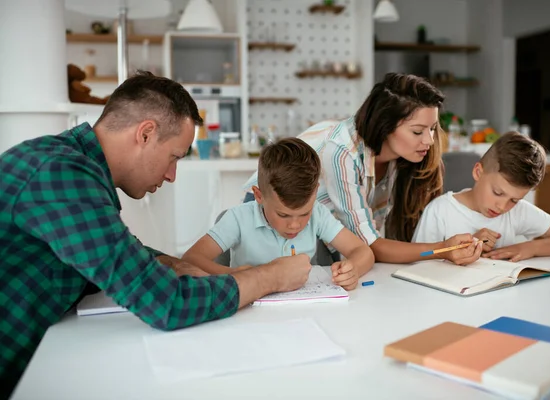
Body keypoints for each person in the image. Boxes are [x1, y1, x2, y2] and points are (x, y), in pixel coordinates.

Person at [0, 72, 311, 397]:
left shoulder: (67, 163)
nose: (172, 175)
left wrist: (168, 262)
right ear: (146, 133)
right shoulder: (62, 176)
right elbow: (166, 303)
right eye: (174, 157)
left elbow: (107, 249)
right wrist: (270, 277)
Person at [243, 73, 482, 265]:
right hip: (274, 211)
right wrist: (443, 249)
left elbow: (373, 239)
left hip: (318, 225)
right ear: (385, 126)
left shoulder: (401, 156)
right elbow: (370, 246)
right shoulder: (342, 151)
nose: (429, 141)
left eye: (432, 129)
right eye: (418, 131)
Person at [183, 138, 375, 290]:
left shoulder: (318, 213)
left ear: (315, 192)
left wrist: (353, 270)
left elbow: (363, 251)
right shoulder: (238, 219)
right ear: (258, 195)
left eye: (303, 213)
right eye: (283, 215)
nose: (295, 225)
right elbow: (191, 260)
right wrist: (233, 274)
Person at [412, 131, 550, 262]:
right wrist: (452, 251)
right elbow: (420, 255)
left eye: (514, 200)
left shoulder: (517, 212)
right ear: (478, 172)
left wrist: (531, 247)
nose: (502, 207)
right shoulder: (440, 210)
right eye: (498, 193)